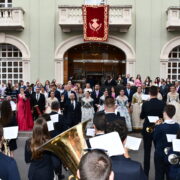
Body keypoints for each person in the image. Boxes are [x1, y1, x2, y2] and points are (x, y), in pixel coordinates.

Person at [140, 86, 165, 177]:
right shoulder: (162, 103)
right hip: (158, 128)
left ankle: (145, 174)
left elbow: (142, 116)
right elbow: (163, 117)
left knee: (147, 151)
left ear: (149, 93)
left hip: (148, 129)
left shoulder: (146, 104)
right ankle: (159, 175)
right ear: (157, 93)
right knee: (158, 151)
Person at [153, 105, 180, 180]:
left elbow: (154, 138)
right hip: (172, 155)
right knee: (171, 174)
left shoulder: (160, 127)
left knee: (159, 175)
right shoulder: (178, 126)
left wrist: (156, 127)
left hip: (160, 155)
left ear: (164, 113)